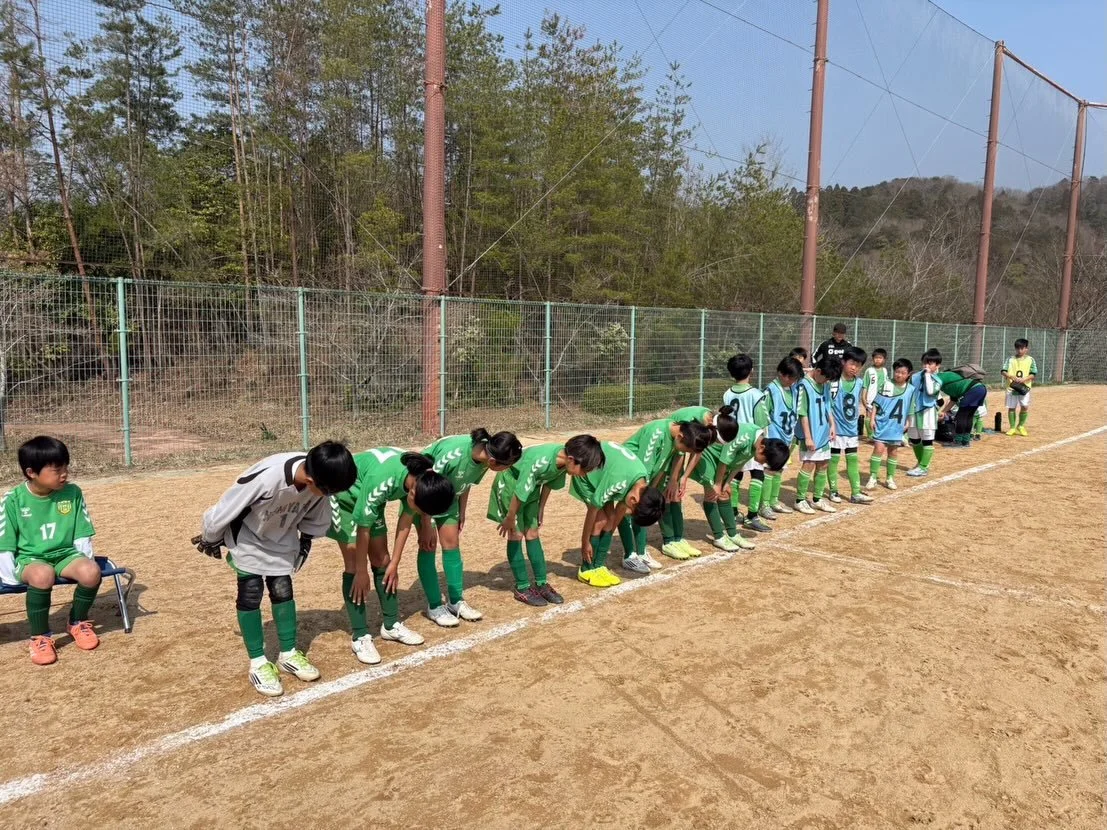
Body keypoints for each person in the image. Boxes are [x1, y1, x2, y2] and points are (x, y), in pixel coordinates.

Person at [194, 441, 357, 697]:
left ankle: (288, 653)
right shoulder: (269, 478)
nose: (328, 496)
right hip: (247, 536)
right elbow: (228, 505)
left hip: (281, 535)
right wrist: (210, 536)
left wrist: (305, 541)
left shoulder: (320, 482)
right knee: (251, 591)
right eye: (327, 491)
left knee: (282, 589)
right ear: (312, 478)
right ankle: (258, 662)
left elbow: (317, 514)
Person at [329, 449, 455, 664]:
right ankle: (360, 636)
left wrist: (395, 563)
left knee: (382, 561)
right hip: (346, 498)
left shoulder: (425, 478)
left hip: (370, 499)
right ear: (413, 493)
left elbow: (406, 519)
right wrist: (361, 571)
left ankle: (391, 625)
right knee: (353, 564)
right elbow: (363, 529)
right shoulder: (383, 480)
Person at [0, 436, 102, 666]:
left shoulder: (73, 493)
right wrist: (8, 575)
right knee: (42, 574)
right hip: (30, 558)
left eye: (65, 467)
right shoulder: (13, 499)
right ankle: (40, 637)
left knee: (91, 572)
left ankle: (77, 622)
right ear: (31, 472)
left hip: (65, 554)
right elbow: (4, 539)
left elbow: (81, 532)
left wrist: (85, 559)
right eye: (56, 470)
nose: (64, 474)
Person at [413, 428, 522, 627]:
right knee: (428, 545)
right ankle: (435, 606)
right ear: (493, 462)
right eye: (506, 466)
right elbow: (424, 485)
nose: (507, 470)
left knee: (452, 544)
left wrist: (462, 510)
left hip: (449, 495)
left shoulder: (485, 458)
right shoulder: (453, 455)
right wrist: (426, 523)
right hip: (422, 495)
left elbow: (465, 482)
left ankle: (455, 601)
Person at [487, 435, 605, 604]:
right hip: (512, 486)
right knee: (516, 534)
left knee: (533, 533)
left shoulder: (564, 462)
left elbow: (549, 483)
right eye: (584, 470)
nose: (584, 474)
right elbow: (520, 491)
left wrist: (541, 508)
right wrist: (509, 517)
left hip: (532, 489)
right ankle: (522, 587)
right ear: (572, 460)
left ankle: (542, 583)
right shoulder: (541, 461)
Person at [570, 441, 665, 587]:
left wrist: (600, 557)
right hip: (586, 473)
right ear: (633, 500)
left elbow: (617, 516)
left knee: (612, 518)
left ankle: (598, 565)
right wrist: (585, 543)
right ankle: (586, 569)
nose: (628, 514)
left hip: (604, 476)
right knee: (600, 520)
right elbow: (593, 511)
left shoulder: (641, 482)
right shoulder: (620, 482)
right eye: (631, 512)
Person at [624, 416, 715, 565]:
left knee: (644, 505)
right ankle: (630, 555)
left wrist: (655, 488)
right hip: (628, 474)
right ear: (680, 437)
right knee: (630, 510)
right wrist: (647, 492)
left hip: (642, 475)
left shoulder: (676, 437)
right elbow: (643, 469)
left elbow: (661, 466)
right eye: (686, 450)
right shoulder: (657, 433)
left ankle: (640, 552)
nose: (684, 453)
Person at [693, 423, 790, 551]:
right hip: (709, 455)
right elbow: (724, 460)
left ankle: (732, 534)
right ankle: (719, 537)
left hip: (722, 461)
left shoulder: (758, 441)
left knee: (725, 493)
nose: (763, 464)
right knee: (712, 494)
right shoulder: (744, 437)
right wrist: (717, 484)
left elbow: (740, 463)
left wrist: (727, 482)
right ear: (762, 448)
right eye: (765, 461)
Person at [721, 354, 772, 533]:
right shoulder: (756, 394)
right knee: (758, 475)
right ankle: (752, 516)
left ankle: (734, 513)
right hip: (751, 440)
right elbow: (762, 422)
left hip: (732, 440)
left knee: (736, 476)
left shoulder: (727, 394)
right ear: (751, 370)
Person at [794, 354, 842, 514]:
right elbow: (803, 413)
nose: (827, 381)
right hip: (810, 432)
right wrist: (807, 437)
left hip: (823, 431)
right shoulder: (803, 385)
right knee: (809, 464)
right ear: (818, 370)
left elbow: (828, 405)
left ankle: (817, 499)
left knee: (824, 463)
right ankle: (800, 500)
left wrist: (832, 425)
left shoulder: (825, 384)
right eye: (826, 377)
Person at [828, 346, 873, 504]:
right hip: (836, 430)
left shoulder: (859, 383)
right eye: (852, 363)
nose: (854, 367)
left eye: (859, 365)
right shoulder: (834, 381)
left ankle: (855, 492)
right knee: (833, 461)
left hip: (851, 430)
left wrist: (869, 409)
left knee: (852, 460)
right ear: (843, 362)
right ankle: (833, 491)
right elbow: (828, 405)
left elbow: (861, 401)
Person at [866, 359, 918, 492]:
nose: (899, 375)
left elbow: (911, 407)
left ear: (908, 374)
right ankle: (872, 477)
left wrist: (908, 421)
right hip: (883, 423)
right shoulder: (886, 385)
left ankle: (890, 478)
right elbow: (876, 404)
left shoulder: (911, 389)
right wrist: (872, 419)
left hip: (897, 425)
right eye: (897, 372)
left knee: (893, 451)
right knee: (878, 449)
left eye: (902, 372)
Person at [763, 356, 804, 515]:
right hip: (773, 437)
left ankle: (774, 500)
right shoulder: (771, 390)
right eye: (790, 377)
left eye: (794, 378)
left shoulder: (794, 389)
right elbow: (764, 416)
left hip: (787, 437)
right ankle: (764, 504)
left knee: (780, 469)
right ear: (781, 374)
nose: (792, 381)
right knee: (769, 470)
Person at [906, 349, 943, 477]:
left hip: (928, 412)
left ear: (937, 366)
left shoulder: (937, 380)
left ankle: (923, 467)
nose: (927, 366)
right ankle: (921, 463)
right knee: (914, 439)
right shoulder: (914, 377)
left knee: (927, 440)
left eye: (930, 363)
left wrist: (927, 375)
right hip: (913, 411)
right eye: (925, 363)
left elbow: (930, 391)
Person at [935, 365, 988, 448]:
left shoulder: (940, 377)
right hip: (981, 389)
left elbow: (934, 381)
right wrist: (943, 411)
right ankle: (965, 441)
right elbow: (953, 401)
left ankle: (958, 441)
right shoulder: (952, 383)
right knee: (969, 416)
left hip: (972, 390)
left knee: (961, 416)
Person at [1002, 338, 1037, 436]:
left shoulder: (1031, 360)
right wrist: (1011, 376)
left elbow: (1033, 374)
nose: (1019, 350)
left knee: (1024, 406)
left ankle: (1021, 426)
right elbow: (1003, 371)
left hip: (1024, 388)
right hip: (1011, 387)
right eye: (1017, 348)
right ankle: (1012, 427)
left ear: (1026, 349)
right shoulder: (1010, 359)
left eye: (1022, 348)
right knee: (1011, 407)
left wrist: (1024, 379)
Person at [861, 348, 889, 440]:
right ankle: (870, 435)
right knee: (869, 415)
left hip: (882, 398)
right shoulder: (869, 371)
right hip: (871, 398)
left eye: (880, 358)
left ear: (884, 359)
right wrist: (864, 399)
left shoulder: (885, 371)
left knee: (880, 416)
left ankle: (878, 433)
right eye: (876, 358)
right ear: (872, 359)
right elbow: (865, 386)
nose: (878, 360)